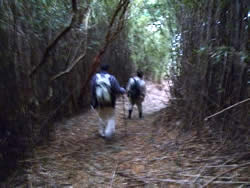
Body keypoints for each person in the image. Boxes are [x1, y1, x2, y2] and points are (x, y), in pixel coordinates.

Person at [91, 64, 126, 139]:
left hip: (99, 101)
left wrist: (93, 102)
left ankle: (102, 132)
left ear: (100, 69)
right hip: (110, 102)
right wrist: (123, 90)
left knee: (102, 116)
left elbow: (93, 90)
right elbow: (117, 89)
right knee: (111, 117)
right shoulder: (111, 78)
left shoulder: (95, 77)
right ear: (108, 69)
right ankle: (108, 133)